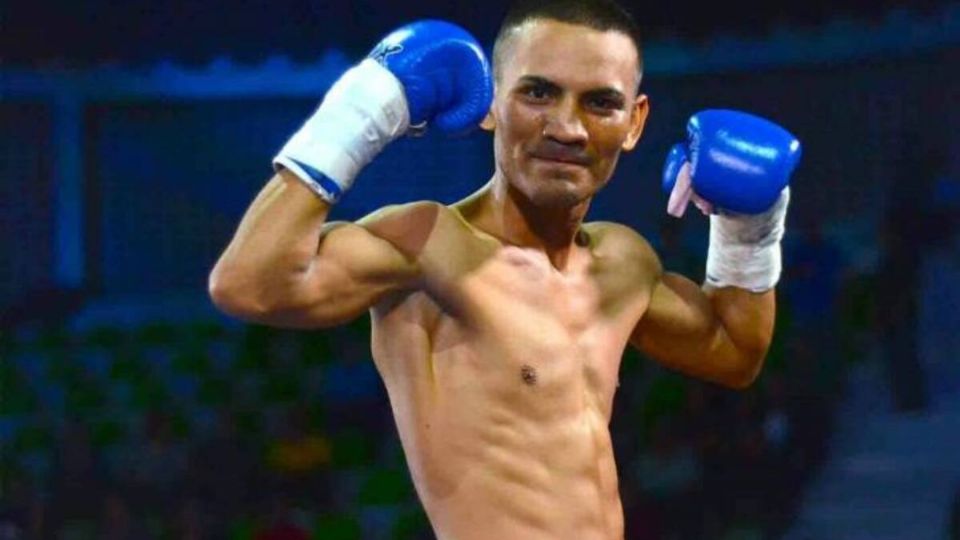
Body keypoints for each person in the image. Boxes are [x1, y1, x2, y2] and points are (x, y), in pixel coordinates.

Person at [209, 0, 800, 537]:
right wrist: (366, 107)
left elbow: (733, 352)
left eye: (600, 102)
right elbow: (248, 286)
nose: (567, 128)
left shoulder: (622, 261)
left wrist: (749, 228)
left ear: (635, 122)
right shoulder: (427, 246)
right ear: (491, 102)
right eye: (538, 93)